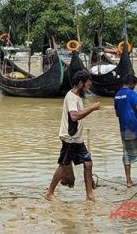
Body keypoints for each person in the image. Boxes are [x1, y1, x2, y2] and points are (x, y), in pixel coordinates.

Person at [46, 71, 101, 202]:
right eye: (88, 82)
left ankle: (89, 195)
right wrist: (92, 108)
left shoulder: (78, 97)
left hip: (77, 138)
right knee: (63, 165)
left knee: (88, 163)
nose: (90, 84)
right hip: (69, 138)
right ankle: (49, 193)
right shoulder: (71, 96)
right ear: (81, 83)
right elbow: (74, 116)